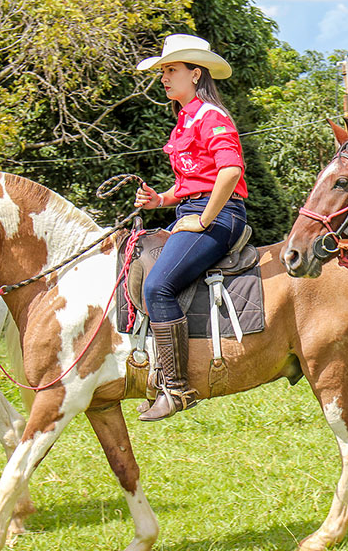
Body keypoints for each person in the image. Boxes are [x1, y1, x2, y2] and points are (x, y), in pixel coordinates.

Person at [133, 34, 249, 421]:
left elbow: (230, 171)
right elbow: (190, 184)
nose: (164, 78)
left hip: (220, 215)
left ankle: (177, 389)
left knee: (157, 286)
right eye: (163, 71)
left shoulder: (212, 116)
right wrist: (161, 201)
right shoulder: (185, 120)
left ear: (195, 74)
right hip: (193, 209)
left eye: (171, 70)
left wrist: (203, 219)